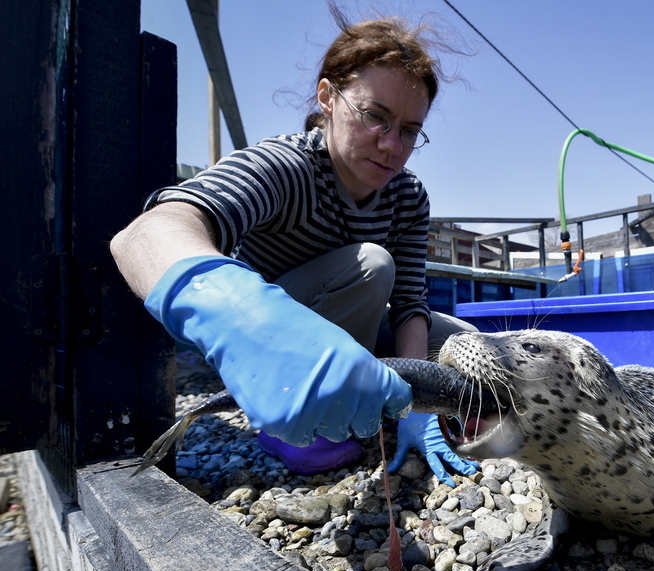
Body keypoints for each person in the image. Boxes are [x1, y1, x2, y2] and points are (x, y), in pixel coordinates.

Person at [109, 9, 477, 486]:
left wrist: (418, 409)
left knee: (461, 341)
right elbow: (145, 234)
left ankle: (393, 408)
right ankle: (291, 421)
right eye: (375, 117)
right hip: (280, 347)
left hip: (349, 333)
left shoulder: (407, 196)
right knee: (370, 263)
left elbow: (409, 304)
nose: (391, 145)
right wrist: (237, 315)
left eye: (409, 130)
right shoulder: (286, 166)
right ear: (328, 97)